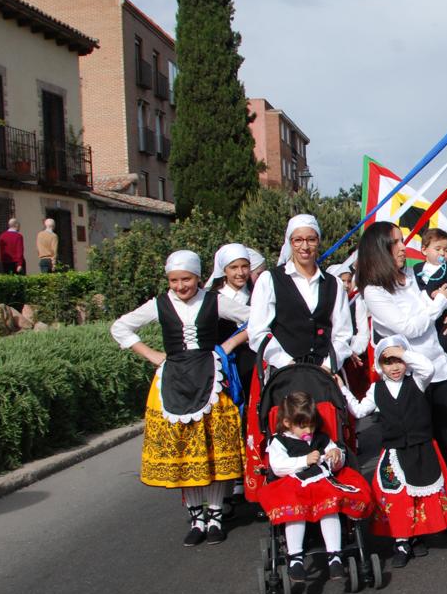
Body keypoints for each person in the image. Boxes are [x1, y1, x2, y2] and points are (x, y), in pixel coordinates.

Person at [111, 250, 252, 546]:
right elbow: (120, 327)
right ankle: (196, 517)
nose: (179, 286)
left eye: (185, 279)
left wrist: (227, 345)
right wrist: (153, 355)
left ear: (198, 277)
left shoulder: (213, 300)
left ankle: (215, 515)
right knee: (185, 450)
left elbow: (257, 319)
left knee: (212, 448)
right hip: (173, 380)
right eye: (174, 280)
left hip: (210, 378)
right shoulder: (159, 304)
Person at [357, 221, 447, 536]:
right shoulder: (374, 292)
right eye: (397, 242)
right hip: (409, 379)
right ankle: (414, 521)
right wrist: (440, 303)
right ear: (380, 249)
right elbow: (411, 327)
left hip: (441, 369)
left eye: (403, 241)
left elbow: (427, 318)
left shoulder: (409, 279)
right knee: (414, 447)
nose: (404, 247)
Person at [344, 336, 447, 568]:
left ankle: (417, 536)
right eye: (388, 362)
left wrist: (403, 352)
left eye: (398, 361)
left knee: (420, 496)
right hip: (394, 452)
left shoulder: (417, 381)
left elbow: (428, 367)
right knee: (397, 498)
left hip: (422, 447)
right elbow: (357, 411)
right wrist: (341, 389)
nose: (395, 367)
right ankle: (401, 542)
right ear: (380, 365)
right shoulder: (376, 390)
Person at [260, 390, 373, 584]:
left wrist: (336, 455)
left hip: (322, 482)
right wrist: (304, 460)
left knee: (331, 507)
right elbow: (278, 466)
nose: (308, 431)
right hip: (294, 483)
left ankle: (334, 555)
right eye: (303, 427)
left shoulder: (321, 438)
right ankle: (295, 557)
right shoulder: (279, 441)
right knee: (294, 510)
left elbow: (334, 458)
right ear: (288, 423)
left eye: (311, 426)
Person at [247, 214, 354, 373]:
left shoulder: (334, 284)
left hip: (323, 371)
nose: (305, 246)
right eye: (298, 240)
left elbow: (343, 333)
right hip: (283, 371)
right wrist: (286, 363)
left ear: (318, 242)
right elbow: (258, 331)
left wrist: (327, 367)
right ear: (290, 242)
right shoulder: (269, 280)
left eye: (311, 239)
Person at [209, 242, 256, 507]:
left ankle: (250, 480)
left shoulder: (257, 295)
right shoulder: (213, 298)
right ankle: (226, 484)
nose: (240, 273)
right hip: (224, 367)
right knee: (226, 424)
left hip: (251, 365)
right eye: (234, 267)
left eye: (244, 266)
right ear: (223, 270)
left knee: (252, 421)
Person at [412, 227, 447, 369]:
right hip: (423, 314)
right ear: (424, 250)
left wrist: (445, 295)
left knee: (445, 340)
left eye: (446, 250)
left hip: (444, 314)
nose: (442, 253)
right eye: (438, 249)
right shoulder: (417, 269)